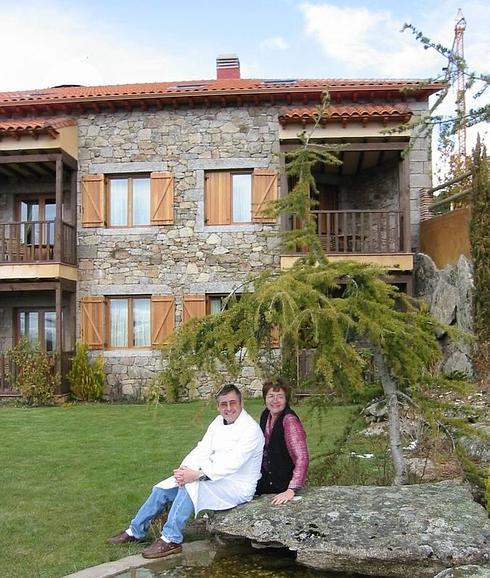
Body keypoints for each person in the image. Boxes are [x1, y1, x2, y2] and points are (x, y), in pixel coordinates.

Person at [107, 384, 264, 559]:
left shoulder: (251, 430)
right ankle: (135, 531)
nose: (228, 408)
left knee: (191, 486)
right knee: (162, 489)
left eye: (232, 403)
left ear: (241, 403)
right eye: (223, 404)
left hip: (237, 486)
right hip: (215, 477)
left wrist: (197, 475)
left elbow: (232, 464)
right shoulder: (217, 422)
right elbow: (202, 449)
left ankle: (171, 539)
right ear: (218, 407)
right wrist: (185, 470)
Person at [255, 377, 309, 505]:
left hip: (283, 485)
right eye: (271, 396)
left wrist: (291, 489)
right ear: (265, 398)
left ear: (286, 399)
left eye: (280, 396)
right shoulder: (265, 415)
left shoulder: (289, 421)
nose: (275, 401)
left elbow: (302, 457)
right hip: (266, 480)